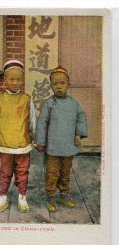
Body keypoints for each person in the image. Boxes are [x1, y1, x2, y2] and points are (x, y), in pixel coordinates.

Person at [0, 60, 36, 213]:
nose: (15, 82)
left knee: (23, 172)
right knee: (5, 171)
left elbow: (32, 120)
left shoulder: (27, 99)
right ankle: (3, 196)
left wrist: (36, 138)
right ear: (4, 80)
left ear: (22, 80)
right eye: (11, 79)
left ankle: (22, 196)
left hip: (23, 144)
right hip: (5, 144)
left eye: (18, 79)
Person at [35, 66, 88, 213]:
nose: (59, 86)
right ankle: (50, 196)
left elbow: (81, 119)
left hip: (68, 146)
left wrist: (78, 134)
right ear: (51, 85)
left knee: (65, 172)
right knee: (52, 172)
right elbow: (42, 123)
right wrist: (40, 142)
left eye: (62, 83)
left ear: (68, 84)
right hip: (53, 148)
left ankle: (64, 194)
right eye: (55, 84)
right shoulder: (49, 104)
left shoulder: (74, 104)